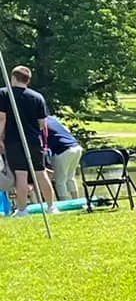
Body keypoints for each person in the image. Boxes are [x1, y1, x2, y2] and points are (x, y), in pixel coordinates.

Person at [1, 66, 55, 213]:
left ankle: (22, 210)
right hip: (33, 140)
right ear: (28, 80)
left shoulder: (4, 94)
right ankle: (51, 206)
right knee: (41, 173)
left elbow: (2, 119)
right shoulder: (37, 97)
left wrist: (0, 138)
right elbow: (43, 124)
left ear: (13, 78)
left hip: (13, 140)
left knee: (21, 174)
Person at [43, 113, 81, 202]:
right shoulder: (52, 119)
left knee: (60, 181)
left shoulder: (39, 122)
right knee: (70, 177)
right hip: (76, 147)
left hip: (63, 150)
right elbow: (67, 130)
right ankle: (76, 201)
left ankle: (64, 203)